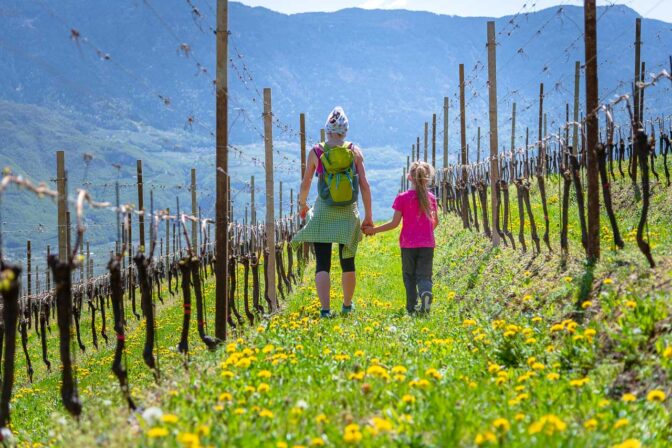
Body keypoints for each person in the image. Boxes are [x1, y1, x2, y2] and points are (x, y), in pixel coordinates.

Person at [292, 107, 373, 318]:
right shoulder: (354, 151)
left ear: (326, 129)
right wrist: (369, 216)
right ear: (345, 130)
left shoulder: (316, 151)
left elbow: (306, 182)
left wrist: (302, 205)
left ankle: (325, 310)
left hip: (323, 212)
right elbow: (364, 185)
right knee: (348, 262)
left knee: (322, 263)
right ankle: (347, 305)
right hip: (348, 212)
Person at [364, 161, 438, 315]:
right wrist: (425, 232)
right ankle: (425, 292)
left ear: (409, 177)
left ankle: (411, 307)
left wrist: (374, 230)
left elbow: (394, 223)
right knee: (424, 274)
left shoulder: (403, 198)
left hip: (408, 245)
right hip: (427, 244)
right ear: (426, 178)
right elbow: (435, 222)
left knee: (409, 275)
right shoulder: (430, 197)